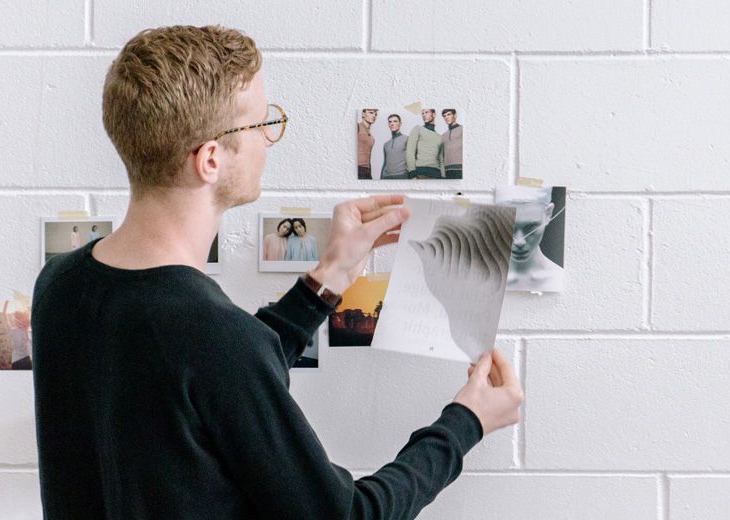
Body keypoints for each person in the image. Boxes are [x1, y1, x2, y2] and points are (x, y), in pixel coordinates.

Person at [31, 25, 522, 519]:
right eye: (262, 124)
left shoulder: (60, 284)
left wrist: (328, 277)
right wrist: (467, 422)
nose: (269, 140)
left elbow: (215, 381)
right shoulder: (212, 337)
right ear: (210, 159)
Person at [501, 188, 564, 292]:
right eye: (508, 225)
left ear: (548, 213)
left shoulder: (560, 279)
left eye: (531, 227)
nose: (519, 242)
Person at [406, 108, 445, 179]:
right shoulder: (418, 129)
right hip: (420, 172)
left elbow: (441, 160)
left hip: (437, 174)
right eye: (422, 113)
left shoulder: (440, 137)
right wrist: (412, 173)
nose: (424, 115)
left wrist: (443, 176)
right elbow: (410, 151)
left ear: (434, 114)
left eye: (426, 112)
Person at [3, 300, 33, 370]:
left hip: (16, 359)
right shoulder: (27, 331)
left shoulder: (12, 330)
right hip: (25, 359)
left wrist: (6, 302)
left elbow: (4, 314)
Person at [380, 113, 409, 179]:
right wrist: (381, 178)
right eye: (390, 122)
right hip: (386, 177)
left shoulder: (407, 139)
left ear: (400, 124)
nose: (392, 124)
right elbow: (385, 163)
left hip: (401, 176)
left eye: (395, 121)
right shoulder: (386, 144)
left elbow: (412, 159)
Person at [441, 109, 462, 179]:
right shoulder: (443, 135)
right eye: (444, 116)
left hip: (460, 168)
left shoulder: (463, 129)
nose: (446, 117)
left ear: (455, 115)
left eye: (449, 114)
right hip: (447, 170)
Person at [356, 108, 377, 179]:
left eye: (375, 114)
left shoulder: (372, 137)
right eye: (371, 113)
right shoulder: (357, 126)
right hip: (358, 168)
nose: (374, 116)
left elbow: (368, 157)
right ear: (363, 114)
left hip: (367, 171)